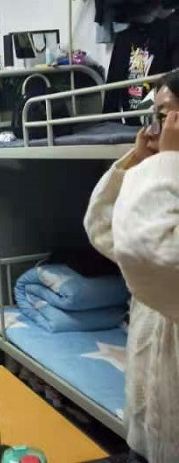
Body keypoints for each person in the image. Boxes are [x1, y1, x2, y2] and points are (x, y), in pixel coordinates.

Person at [85, 70, 179, 463]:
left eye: (165, 115)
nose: (155, 129)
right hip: (147, 415)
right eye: (155, 117)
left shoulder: (168, 182)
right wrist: (141, 162)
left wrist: (168, 162)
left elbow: (155, 251)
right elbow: (103, 230)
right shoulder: (163, 180)